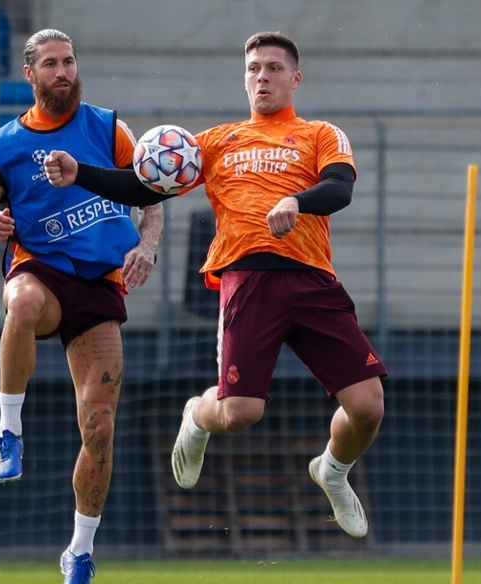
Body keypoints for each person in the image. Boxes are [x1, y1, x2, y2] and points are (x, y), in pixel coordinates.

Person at [44, 30, 386, 539]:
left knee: (367, 407)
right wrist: (81, 174)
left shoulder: (320, 134)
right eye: (253, 69)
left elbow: (340, 187)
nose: (262, 77)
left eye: (273, 68)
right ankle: (198, 415)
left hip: (313, 281)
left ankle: (332, 471)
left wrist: (298, 201)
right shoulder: (217, 141)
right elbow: (142, 185)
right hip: (247, 280)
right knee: (240, 412)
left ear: (295, 78)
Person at [0, 28, 164, 584]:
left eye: (69, 61)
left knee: (99, 428)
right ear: (30, 74)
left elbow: (151, 193)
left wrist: (147, 245)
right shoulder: (4, 145)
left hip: (99, 284)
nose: (62, 72)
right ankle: (9, 429)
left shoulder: (108, 128)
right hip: (41, 271)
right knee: (20, 305)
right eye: (50, 64)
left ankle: (78, 552)